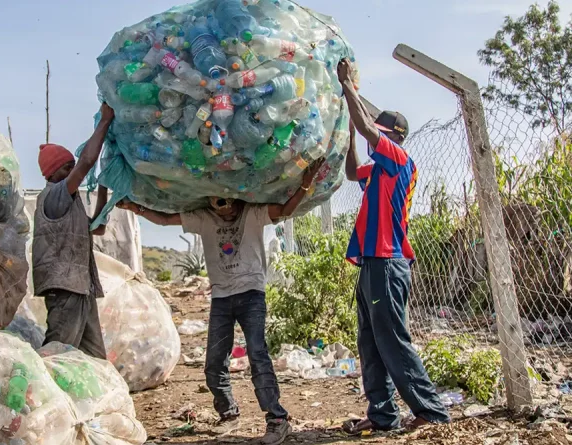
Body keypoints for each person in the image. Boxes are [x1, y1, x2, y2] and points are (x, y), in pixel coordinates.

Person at [119, 157, 325, 445]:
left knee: (257, 354)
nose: (225, 208)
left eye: (228, 202)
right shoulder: (204, 218)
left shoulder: (253, 213)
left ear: (238, 197)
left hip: (251, 294)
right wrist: (134, 207)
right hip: (221, 297)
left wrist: (305, 183)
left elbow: (286, 210)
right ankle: (228, 412)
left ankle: (277, 419)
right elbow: (165, 219)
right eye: (218, 202)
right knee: (214, 362)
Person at [337, 58, 451, 433]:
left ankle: (431, 411)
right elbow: (353, 172)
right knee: (369, 341)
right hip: (372, 262)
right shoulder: (379, 168)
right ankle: (383, 416)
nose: (376, 138)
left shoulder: (399, 159)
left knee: (392, 338)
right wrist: (350, 134)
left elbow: (369, 127)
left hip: (388, 260)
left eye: (382, 133)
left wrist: (348, 87)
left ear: (395, 137)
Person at [32, 103, 115, 359]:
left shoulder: (71, 202)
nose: (73, 173)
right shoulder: (54, 196)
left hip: (81, 288)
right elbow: (87, 161)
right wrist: (105, 121)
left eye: (72, 167)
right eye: (67, 168)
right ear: (51, 173)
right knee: (57, 354)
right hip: (65, 288)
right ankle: (42, 398)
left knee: (95, 357)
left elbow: (97, 228)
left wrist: (104, 185)